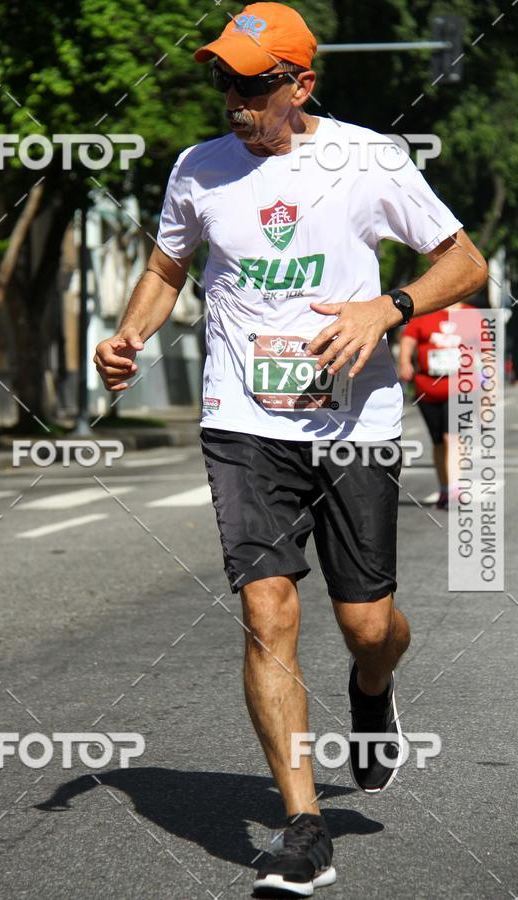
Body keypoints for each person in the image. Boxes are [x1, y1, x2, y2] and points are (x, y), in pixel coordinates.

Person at [94, 3, 488, 895]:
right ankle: (304, 825)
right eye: (224, 80)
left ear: (302, 84)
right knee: (269, 612)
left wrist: (384, 309)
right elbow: (167, 269)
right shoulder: (199, 169)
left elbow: (466, 263)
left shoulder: (367, 159)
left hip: (355, 424)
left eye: (253, 83)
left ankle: (374, 690)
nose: (233, 98)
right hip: (243, 421)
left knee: (367, 626)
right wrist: (127, 336)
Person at [398, 302, 468, 509]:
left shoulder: (470, 314)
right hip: (427, 389)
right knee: (438, 442)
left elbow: (485, 347)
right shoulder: (425, 313)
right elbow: (408, 339)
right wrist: (404, 362)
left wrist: (490, 380)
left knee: (452, 437)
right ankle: (445, 489)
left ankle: (456, 487)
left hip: (460, 388)